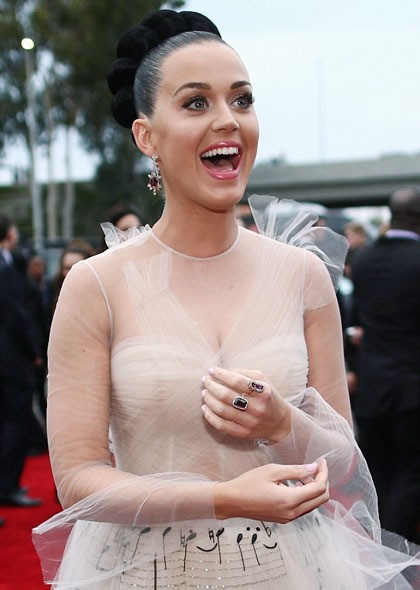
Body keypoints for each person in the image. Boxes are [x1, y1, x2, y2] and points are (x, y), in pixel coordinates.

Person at [33, 10, 420, 589]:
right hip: (143, 575)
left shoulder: (302, 276)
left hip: (294, 571)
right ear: (146, 136)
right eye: (196, 103)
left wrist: (283, 421)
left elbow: (344, 460)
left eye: (242, 100)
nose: (228, 120)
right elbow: (78, 481)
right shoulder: (97, 285)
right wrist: (223, 498)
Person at [350, 186, 420, 544]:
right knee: (412, 474)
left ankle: (378, 547)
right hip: (412, 389)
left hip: (371, 386)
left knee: (378, 473)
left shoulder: (363, 260)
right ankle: (398, 551)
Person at [0, 214, 42, 507]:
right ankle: (7, 487)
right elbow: (17, 315)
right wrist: (33, 351)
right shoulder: (6, 268)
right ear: (10, 233)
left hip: (10, 359)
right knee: (16, 422)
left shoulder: (9, 263)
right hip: (12, 361)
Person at [50, 238, 95, 316]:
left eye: (76, 267)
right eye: (67, 268)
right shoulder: (51, 293)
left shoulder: (100, 298)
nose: (71, 272)